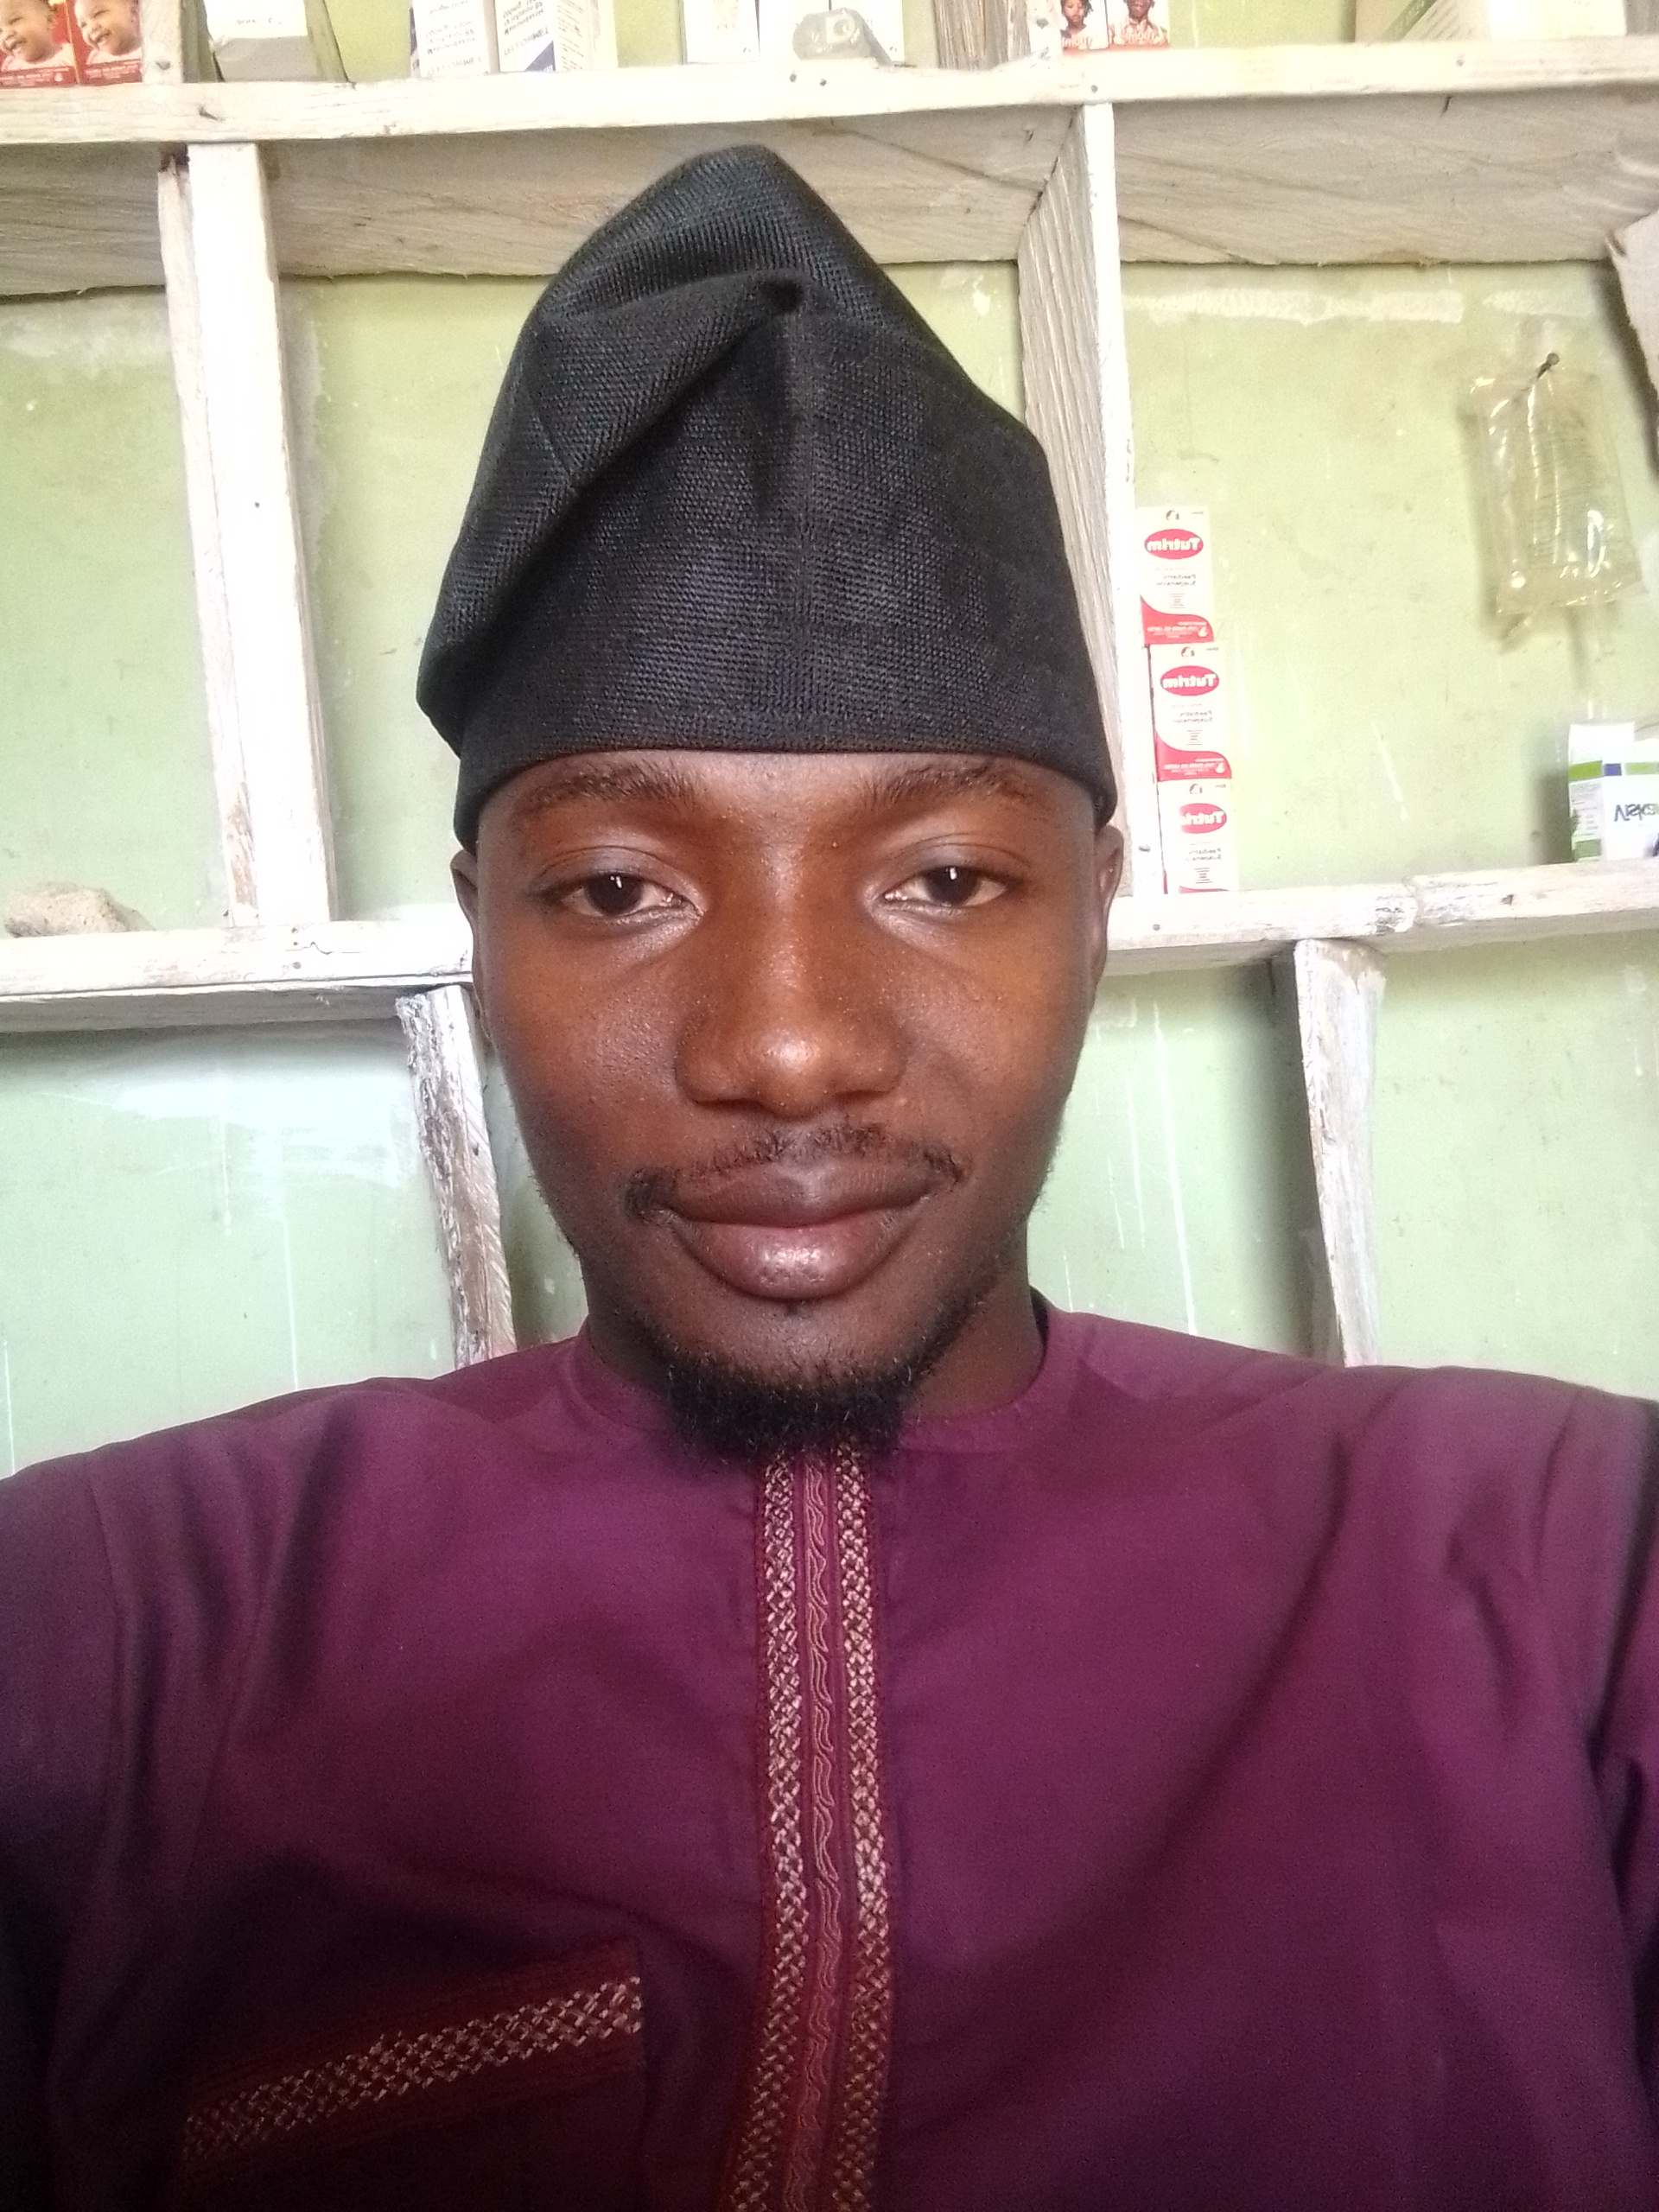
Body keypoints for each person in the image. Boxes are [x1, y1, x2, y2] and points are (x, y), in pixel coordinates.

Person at [2, 146, 1657, 2212]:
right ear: (479, 929)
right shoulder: (106, 1629)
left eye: (945, 877)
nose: (785, 1042)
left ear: (1096, 908)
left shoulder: (1568, 1573)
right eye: (617, 887)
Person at [0, 0, 72, 73]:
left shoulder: (71, 56)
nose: (7, 34)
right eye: (0, 31)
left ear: (49, 20)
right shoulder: (9, 65)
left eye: (14, 20)